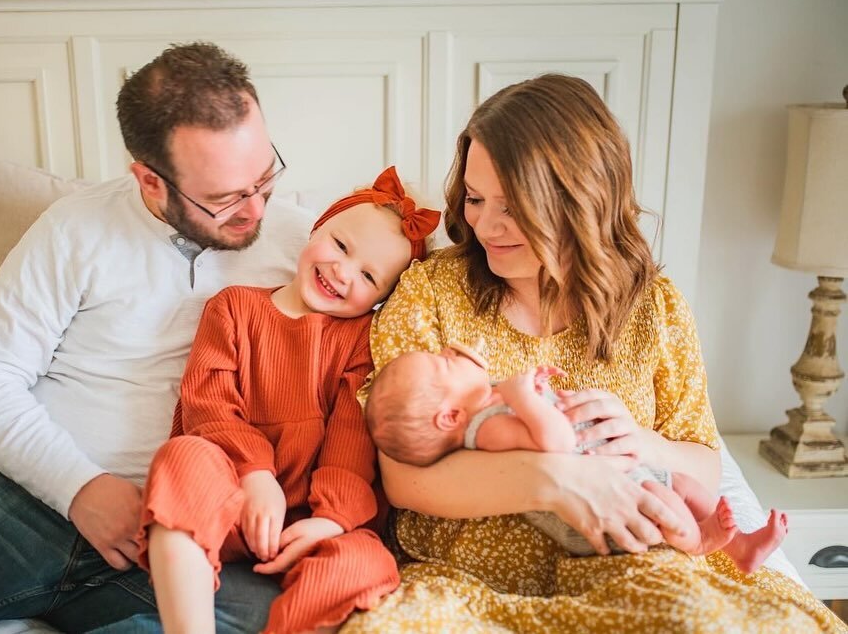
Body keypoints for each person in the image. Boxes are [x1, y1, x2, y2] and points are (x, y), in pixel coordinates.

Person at [339, 74, 846, 632]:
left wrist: (642, 440)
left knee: (707, 620)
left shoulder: (654, 308)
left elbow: (704, 459)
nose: (483, 223)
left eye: (512, 206)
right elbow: (404, 477)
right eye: (476, 199)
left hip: (633, 563)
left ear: (580, 199)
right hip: (466, 578)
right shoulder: (431, 293)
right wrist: (556, 482)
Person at [0, 42, 314, 633]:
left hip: (196, 537)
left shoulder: (309, 247)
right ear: (150, 179)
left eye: (265, 178)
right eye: (224, 198)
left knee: (281, 616)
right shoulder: (74, 227)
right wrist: (80, 488)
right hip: (21, 498)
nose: (254, 209)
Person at [136, 166, 439, 633]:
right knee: (181, 458)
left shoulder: (362, 341)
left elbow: (350, 443)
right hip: (230, 492)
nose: (342, 272)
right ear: (317, 228)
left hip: (307, 520)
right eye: (340, 245)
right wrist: (255, 476)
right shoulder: (233, 307)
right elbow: (208, 402)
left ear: (382, 299)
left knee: (367, 562)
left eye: (368, 277)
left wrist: (332, 521)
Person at [365, 343, 788, 572]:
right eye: (443, 364)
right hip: (608, 507)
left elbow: (703, 451)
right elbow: (554, 443)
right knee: (670, 506)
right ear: (451, 416)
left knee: (689, 488)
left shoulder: (489, 400)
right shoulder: (485, 427)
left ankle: (741, 547)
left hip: (627, 464)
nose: (449, 353)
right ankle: (699, 543)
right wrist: (522, 395)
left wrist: (633, 434)